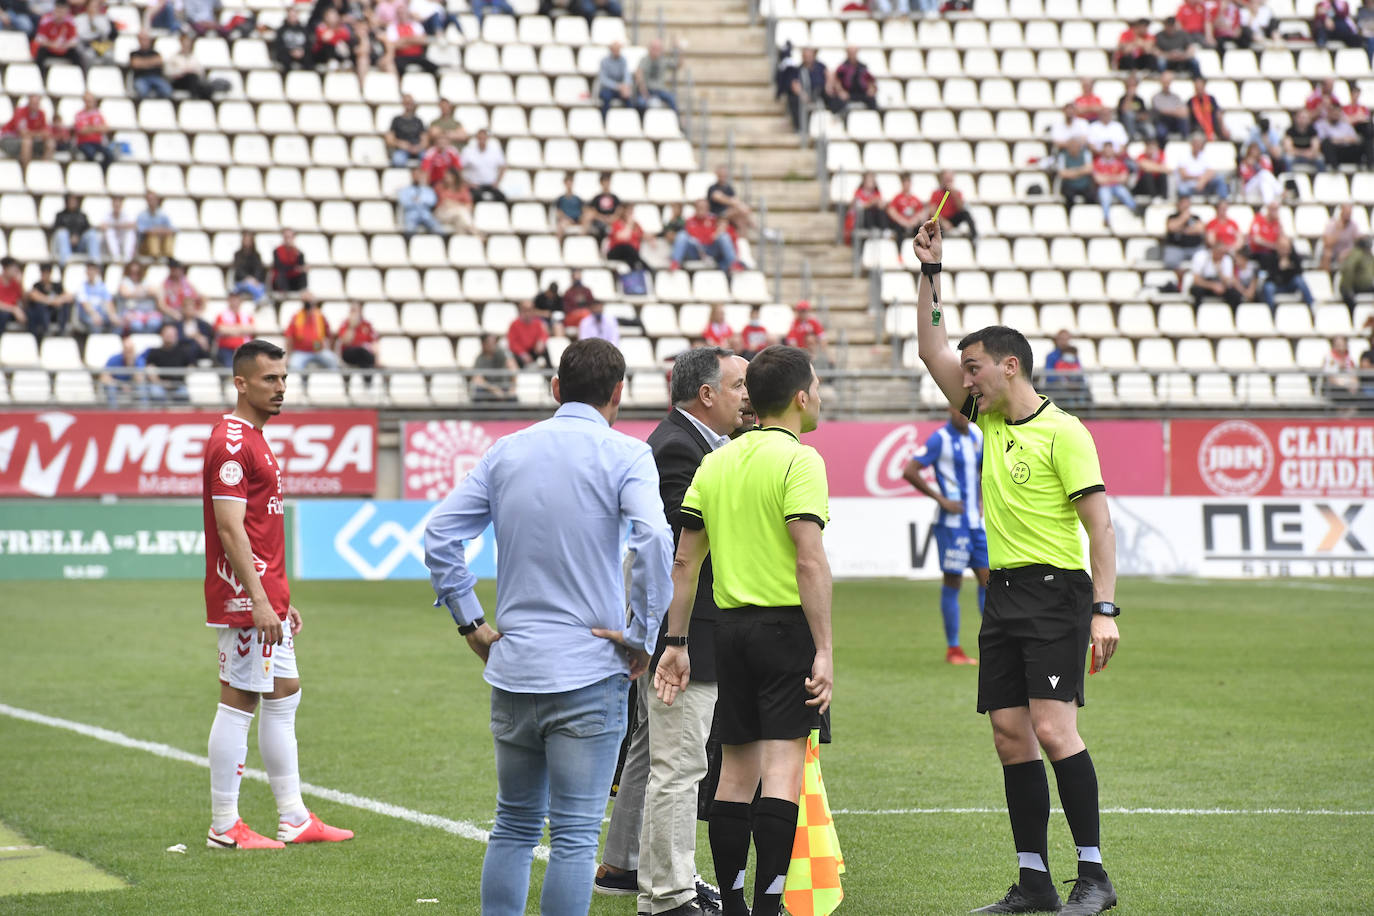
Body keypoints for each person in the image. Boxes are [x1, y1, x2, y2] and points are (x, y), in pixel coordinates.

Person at [911, 218, 1120, 916]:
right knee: (1009, 735)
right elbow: (930, 346)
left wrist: (1105, 607)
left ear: (1009, 367)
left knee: (1055, 728)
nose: (961, 381)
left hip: (1059, 593)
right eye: (965, 371)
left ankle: (1093, 876)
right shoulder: (988, 419)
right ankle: (1033, 884)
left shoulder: (1065, 431)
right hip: (1003, 595)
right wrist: (930, 272)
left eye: (974, 370)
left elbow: (1100, 526)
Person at [424, 338, 674, 916]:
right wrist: (642, 632)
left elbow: (440, 535)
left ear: (556, 389)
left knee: (512, 825)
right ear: (618, 394)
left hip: (514, 666)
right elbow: (656, 539)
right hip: (589, 668)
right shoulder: (626, 454)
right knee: (575, 836)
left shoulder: (506, 451)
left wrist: (471, 624)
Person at [653, 344, 832, 916]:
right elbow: (808, 559)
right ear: (802, 396)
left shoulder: (717, 460)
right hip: (783, 631)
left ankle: (731, 903)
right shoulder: (801, 460)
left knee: (733, 771)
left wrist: (676, 643)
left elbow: (685, 562)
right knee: (780, 770)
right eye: (819, 387)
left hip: (726, 632)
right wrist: (824, 648)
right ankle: (767, 905)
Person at [596, 347, 748, 915]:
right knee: (679, 764)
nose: (747, 397)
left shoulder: (691, 445)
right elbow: (680, 553)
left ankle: (626, 866)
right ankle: (668, 893)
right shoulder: (679, 452)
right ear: (706, 394)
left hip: (665, 626)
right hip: (681, 631)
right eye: (738, 386)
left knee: (650, 751)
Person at [201, 339, 354, 851]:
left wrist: (280, 600)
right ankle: (225, 825)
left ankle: (293, 816)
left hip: (266, 597)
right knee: (240, 701)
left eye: (284, 377)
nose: (281, 387)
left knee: (285, 693)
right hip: (245, 600)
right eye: (270, 379)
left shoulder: (257, 438)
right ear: (241, 383)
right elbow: (229, 528)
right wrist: (260, 600)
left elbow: (258, 529)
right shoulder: (230, 442)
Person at [902, 406, 987, 666]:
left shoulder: (977, 434)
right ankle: (954, 649)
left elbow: (984, 470)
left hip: (975, 524)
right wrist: (941, 499)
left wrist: (982, 500)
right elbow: (910, 470)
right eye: (956, 408)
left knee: (989, 582)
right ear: (950, 409)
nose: (961, 413)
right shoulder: (940, 438)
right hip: (951, 524)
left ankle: (995, 645)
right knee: (953, 582)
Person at [670, 201, 741, 273]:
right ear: (695, 208)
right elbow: (692, 237)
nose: (701, 209)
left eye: (703, 208)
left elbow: (731, 234)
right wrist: (711, 237)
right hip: (695, 251)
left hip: (711, 250)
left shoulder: (714, 219)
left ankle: (734, 263)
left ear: (708, 209)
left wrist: (718, 232)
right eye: (699, 207)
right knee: (682, 235)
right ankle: (675, 262)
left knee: (723, 236)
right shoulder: (689, 221)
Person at [141, 323, 198, 400]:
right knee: (156, 392)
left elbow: (191, 367)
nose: (169, 336)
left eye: (172, 334)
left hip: (179, 385)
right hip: (160, 385)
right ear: (161, 335)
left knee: (183, 393)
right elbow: (150, 369)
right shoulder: (154, 352)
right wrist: (160, 382)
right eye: (167, 333)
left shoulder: (184, 352)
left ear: (176, 336)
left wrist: (179, 379)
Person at [1259, 236, 1314, 311]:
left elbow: (1299, 272)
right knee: (1268, 287)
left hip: (1290, 285)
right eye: (1283, 248)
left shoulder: (1294, 257)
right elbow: (1269, 277)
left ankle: (1311, 306)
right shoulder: (1271, 257)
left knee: (1299, 280)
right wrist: (1279, 268)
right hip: (1277, 286)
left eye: (1287, 248)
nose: (1285, 251)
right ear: (1278, 247)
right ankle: (1271, 312)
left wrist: (1289, 267)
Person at [284, 298, 339, 370]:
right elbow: (289, 336)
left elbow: (329, 335)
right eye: (307, 304)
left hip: (319, 351)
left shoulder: (320, 316)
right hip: (301, 352)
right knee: (294, 365)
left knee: (332, 360)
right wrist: (288, 355)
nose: (309, 307)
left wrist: (330, 349)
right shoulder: (296, 317)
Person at [25, 261, 74, 340]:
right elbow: (34, 296)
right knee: (40, 306)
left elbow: (69, 297)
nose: (46, 275)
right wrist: (51, 301)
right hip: (42, 313)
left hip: (55, 312)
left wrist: (58, 300)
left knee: (65, 306)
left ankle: (62, 330)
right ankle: (46, 330)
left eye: (48, 273)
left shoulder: (57, 285)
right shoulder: (37, 285)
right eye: (44, 273)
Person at [1, 93, 53, 169]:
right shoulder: (21, 112)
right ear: (29, 102)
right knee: (27, 142)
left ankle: (45, 169)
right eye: (33, 103)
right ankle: (25, 172)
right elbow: (23, 133)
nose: (35, 105)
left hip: (29, 140)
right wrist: (38, 134)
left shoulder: (41, 113)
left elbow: (46, 133)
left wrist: (33, 134)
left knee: (50, 143)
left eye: (37, 103)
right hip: (9, 139)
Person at [1091, 142, 1137, 227]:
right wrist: (1115, 177)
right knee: (1105, 196)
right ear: (1103, 150)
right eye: (1106, 149)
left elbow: (1124, 178)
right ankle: (1106, 218)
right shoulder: (1097, 162)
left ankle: (1135, 211)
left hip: (1116, 186)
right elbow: (1098, 179)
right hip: (1103, 187)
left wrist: (1107, 177)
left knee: (1124, 192)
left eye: (1110, 149)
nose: (1108, 151)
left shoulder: (1119, 162)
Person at [384, 4, 437, 75]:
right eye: (399, 13)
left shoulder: (416, 25)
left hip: (417, 56)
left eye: (402, 13)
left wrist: (404, 40)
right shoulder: (392, 27)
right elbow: (393, 44)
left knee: (433, 67)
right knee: (399, 67)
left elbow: (423, 40)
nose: (401, 15)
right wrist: (413, 40)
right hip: (400, 57)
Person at [785, 47, 829, 132]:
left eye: (809, 56)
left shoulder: (820, 67)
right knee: (794, 100)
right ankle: (800, 128)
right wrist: (802, 94)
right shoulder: (798, 69)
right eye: (805, 56)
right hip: (806, 96)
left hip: (820, 94)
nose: (807, 58)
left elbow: (829, 76)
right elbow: (794, 84)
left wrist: (828, 85)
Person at [52, 193, 102, 266]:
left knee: (92, 234)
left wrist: (78, 237)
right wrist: (70, 238)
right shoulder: (60, 216)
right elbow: (56, 230)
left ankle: (95, 264)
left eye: (74, 200)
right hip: (65, 245)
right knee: (62, 234)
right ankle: (66, 264)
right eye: (70, 200)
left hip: (80, 245)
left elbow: (87, 229)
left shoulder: (82, 216)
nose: (72, 202)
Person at [1187, 242, 1242, 308]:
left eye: (1223, 253)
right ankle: (1196, 314)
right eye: (1219, 252)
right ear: (1213, 250)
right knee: (1197, 291)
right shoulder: (1201, 256)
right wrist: (1212, 286)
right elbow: (1196, 280)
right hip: (1204, 285)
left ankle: (1233, 315)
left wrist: (1220, 272)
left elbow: (1228, 282)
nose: (1221, 255)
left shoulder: (1227, 259)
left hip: (1220, 284)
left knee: (1234, 294)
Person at [1175, 132, 1228, 199]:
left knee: (1220, 179)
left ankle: (1223, 201)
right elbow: (1184, 175)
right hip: (1189, 187)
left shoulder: (1204, 156)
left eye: (1199, 144)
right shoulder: (1183, 157)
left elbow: (1211, 172)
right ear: (1192, 144)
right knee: (1183, 189)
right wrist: (1198, 177)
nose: (1197, 146)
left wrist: (1203, 181)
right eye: (1196, 143)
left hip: (1204, 185)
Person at [928, 170, 977, 239]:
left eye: (950, 180)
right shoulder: (936, 193)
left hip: (953, 219)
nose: (948, 182)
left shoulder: (957, 193)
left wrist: (953, 193)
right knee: (936, 227)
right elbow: (933, 212)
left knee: (966, 214)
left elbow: (961, 208)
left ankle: (974, 236)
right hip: (941, 220)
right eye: (946, 180)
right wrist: (944, 222)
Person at [598, 42, 643, 118]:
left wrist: (625, 86)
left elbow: (626, 75)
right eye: (615, 49)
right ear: (611, 50)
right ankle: (605, 120)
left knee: (629, 98)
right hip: (608, 89)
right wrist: (617, 86)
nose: (617, 52)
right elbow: (603, 80)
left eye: (618, 50)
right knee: (606, 97)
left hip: (620, 89)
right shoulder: (604, 61)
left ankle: (631, 119)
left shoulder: (623, 60)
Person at [635, 38, 681, 113]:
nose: (655, 51)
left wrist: (678, 50)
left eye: (658, 49)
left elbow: (678, 64)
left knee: (672, 99)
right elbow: (638, 75)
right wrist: (643, 92)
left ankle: (677, 123)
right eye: (653, 48)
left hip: (660, 90)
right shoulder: (644, 60)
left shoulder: (663, 60)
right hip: (647, 90)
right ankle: (642, 123)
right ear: (649, 48)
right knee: (641, 104)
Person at [100, 331, 145, 406]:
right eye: (126, 350)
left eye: (130, 350)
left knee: (142, 389)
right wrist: (121, 385)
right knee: (111, 388)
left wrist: (131, 364)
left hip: (133, 387)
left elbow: (140, 380)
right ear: (123, 350)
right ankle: (114, 415)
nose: (128, 353)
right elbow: (104, 378)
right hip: (117, 386)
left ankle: (143, 415)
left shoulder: (139, 360)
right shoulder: (114, 359)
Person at [34, 0, 80, 72]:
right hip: (50, 48)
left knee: (77, 55)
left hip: (64, 49)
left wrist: (65, 45)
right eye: (58, 11)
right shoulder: (46, 19)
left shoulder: (70, 20)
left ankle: (81, 76)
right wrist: (51, 44)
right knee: (40, 52)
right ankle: (40, 75)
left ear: (67, 11)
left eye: (63, 12)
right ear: (54, 10)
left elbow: (74, 40)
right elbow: (39, 38)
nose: (60, 14)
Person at [462, 128, 507, 202]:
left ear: (487, 138)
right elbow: (459, 168)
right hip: (475, 185)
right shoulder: (468, 151)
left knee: (501, 197)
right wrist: (468, 183)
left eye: (484, 137)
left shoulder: (495, 150)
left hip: (490, 184)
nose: (482, 139)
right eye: (480, 137)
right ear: (477, 138)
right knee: (476, 197)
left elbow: (503, 166)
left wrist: (497, 182)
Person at [1315, 104, 1367, 168]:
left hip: (1346, 150)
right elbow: (1323, 139)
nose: (1335, 114)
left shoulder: (1346, 125)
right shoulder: (1321, 124)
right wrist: (1344, 139)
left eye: (1337, 113)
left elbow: (1355, 139)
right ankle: (1334, 167)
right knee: (1327, 144)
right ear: (1329, 112)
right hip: (1333, 151)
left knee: (1363, 143)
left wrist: (1337, 140)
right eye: (1333, 112)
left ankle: (1362, 165)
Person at [117, 261, 163, 332]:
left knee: (154, 323)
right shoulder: (125, 282)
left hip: (147, 312)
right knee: (136, 325)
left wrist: (138, 292)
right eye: (132, 272)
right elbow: (126, 294)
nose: (134, 275)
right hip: (131, 312)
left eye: (137, 273)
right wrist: (144, 292)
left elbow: (156, 291)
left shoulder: (145, 281)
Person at [399, 166, 444, 238]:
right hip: (411, 213)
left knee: (438, 229)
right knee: (409, 229)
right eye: (415, 174)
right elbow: (404, 202)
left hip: (425, 213)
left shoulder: (427, 189)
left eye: (418, 174)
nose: (417, 176)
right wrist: (413, 202)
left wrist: (420, 200)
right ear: (412, 176)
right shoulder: (405, 190)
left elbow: (433, 201)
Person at [471, 332, 517, 401]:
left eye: (494, 342)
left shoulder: (502, 352)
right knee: (478, 393)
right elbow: (477, 379)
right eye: (489, 343)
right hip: (489, 390)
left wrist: (512, 388)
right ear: (483, 344)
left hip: (505, 388)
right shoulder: (479, 359)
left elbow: (513, 367)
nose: (493, 345)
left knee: (513, 398)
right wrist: (493, 389)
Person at [707, 165, 754, 233]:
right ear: (717, 175)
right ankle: (758, 228)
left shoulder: (729, 188)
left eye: (724, 174)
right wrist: (733, 202)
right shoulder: (712, 187)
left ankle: (741, 239)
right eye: (721, 174)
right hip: (716, 214)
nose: (723, 176)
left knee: (741, 220)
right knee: (741, 209)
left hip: (729, 214)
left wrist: (733, 202)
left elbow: (734, 200)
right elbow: (717, 197)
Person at [214, 291, 256, 367]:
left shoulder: (246, 316)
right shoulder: (222, 315)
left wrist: (231, 329)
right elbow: (221, 329)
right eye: (232, 299)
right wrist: (242, 330)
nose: (235, 302)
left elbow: (252, 329)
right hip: (227, 349)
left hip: (244, 349)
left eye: (236, 299)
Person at [508, 298, 552, 368]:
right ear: (520, 311)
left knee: (545, 350)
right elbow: (512, 343)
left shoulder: (537, 323)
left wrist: (541, 342)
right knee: (511, 357)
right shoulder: (514, 324)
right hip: (519, 354)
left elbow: (543, 335)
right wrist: (522, 354)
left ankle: (549, 375)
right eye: (525, 310)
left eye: (530, 310)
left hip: (533, 351)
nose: (528, 313)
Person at [830, 46, 877, 111]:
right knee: (837, 103)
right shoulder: (842, 67)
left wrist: (871, 89)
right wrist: (841, 91)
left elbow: (870, 80)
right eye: (851, 52)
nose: (852, 54)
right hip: (848, 93)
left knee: (872, 101)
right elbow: (837, 80)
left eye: (854, 52)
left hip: (862, 93)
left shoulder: (862, 67)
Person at [607, 205, 650, 275]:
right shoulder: (617, 223)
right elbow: (623, 237)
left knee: (630, 254)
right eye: (628, 212)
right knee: (626, 246)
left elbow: (643, 235)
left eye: (631, 212)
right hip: (616, 252)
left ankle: (636, 269)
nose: (630, 214)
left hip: (630, 255)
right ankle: (645, 266)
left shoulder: (636, 225)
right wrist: (629, 224)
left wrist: (652, 238)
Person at [386, 94, 426, 168]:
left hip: (417, 149)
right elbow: (389, 139)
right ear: (403, 104)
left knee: (428, 159)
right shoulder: (396, 120)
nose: (408, 105)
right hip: (402, 150)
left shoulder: (418, 121)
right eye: (407, 103)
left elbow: (425, 139)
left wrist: (419, 147)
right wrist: (399, 144)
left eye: (410, 102)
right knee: (398, 161)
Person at [128, 31, 173, 98]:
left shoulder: (155, 53)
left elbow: (159, 61)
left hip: (156, 77)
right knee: (142, 90)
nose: (144, 41)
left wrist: (142, 63)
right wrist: (152, 62)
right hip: (141, 78)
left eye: (146, 39)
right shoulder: (134, 53)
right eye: (142, 39)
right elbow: (135, 64)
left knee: (167, 90)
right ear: (139, 40)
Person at [335, 300, 376, 371]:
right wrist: (352, 326)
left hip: (364, 354)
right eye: (352, 310)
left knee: (364, 360)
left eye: (355, 310)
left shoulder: (367, 324)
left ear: (360, 312)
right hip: (349, 353)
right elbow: (346, 341)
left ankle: (367, 378)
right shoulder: (345, 324)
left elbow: (374, 342)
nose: (353, 313)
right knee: (361, 352)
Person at [1149, 71, 1190, 143]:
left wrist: (1171, 111)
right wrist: (1176, 111)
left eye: (1168, 82)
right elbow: (1161, 111)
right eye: (1165, 82)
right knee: (1161, 132)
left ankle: (1186, 141)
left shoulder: (1175, 97)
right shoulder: (1156, 97)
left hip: (1174, 121)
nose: (1166, 84)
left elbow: (1184, 113)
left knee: (1184, 121)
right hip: (1163, 121)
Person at [1238, 141, 1282, 205]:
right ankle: (1281, 191)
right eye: (1252, 150)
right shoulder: (1244, 163)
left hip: (1262, 185)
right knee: (1263, 174)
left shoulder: (1264, 159)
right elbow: (1246, 177)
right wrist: (1251, 166)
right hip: (1250, 187)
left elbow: (1269, 172)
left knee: (1264, 182)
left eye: (1255, 150)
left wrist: (1256, 165)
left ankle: (1268, 204)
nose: (1254, 152)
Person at [434, 171, 478, 236]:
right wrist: (458, 205)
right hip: (442, 213)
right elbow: (444, 203)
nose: (446, 178)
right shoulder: (439, 187)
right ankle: (474, 230)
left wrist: (454, 204)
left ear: (455, 177)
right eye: (445, 176)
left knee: (459, 220)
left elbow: (469, 206)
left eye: (449, 176)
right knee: (460, 212)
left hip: (457, 214)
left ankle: (462, 241)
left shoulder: (462, 188)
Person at [75, 261, 115, 332]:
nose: (91, 273)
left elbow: (108, 301)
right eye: (89, 270)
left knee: (116, 323)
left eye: (93, 270)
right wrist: (94, 315)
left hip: (101, 314)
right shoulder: (82, 287)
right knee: (96, 324)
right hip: (87, 315)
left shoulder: (102, 286)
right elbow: (85, 304)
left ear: (97, 271)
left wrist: (112, 315)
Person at [1056, 136, 1095, 207]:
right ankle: (1069, 216)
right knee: (1068, 197)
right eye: (1071, 146)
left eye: (1075, 146)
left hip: (1084, 184)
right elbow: (1062, 173)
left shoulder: (1086, 153)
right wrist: (1081, 171)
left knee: (1091, 196)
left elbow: (1089, 169)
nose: (1073, 147)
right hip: (1069, 185)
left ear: (1079, 146)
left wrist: (1072, 172)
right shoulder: (1063, 155)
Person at [886, 174, 926, 241]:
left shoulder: (915, 199)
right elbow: (891, 211)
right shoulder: (897, 198)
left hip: (913, 223)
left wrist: (915, 220)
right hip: (901, 224)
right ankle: (899, 251)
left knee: (920, 229)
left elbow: (921, 212)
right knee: (897, 230)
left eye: (908, 182)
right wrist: (902, 221)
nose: (907, 185)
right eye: (905, 183)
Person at [1189, 78, 1230, 142]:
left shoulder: (1211, 99)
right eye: (1197, 87)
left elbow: (1218, 112)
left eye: (1200, 87)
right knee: (1198, 138)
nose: (1199, 89)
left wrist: (1223, 127)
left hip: (1213, 127)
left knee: (1226, 135)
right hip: (1198, 130)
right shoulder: (1191, 101)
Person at [231, 231, 268, 303]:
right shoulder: (237, 255)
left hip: (254, 282)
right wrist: (248, 279)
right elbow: (238, 270)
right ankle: (260, 300)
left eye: (249, 240)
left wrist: (254, 280)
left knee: (262, 287)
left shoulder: (256, 255)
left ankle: (259, 301)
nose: (247, 242)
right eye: (245, 240)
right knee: (250, 286)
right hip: (241, 282)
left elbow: (259, 270)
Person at [1320, 204, 1359, 272]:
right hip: (1333, 254)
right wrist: (1338, 230)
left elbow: (1357, 242)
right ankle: (1326, 277)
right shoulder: (1331, 224)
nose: (1348, 215)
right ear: (1341, 212)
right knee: (1327, 253)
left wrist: (1347, 252)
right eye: (1346, 213)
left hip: (1347, 253)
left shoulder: (1353, 225)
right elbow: (1327, 243)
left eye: (1349, 213)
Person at [137, 192, 175, 260]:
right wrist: (155, 231)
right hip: (145, 245)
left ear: (157, 200)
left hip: (161, 241)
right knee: (152, 237)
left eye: (153, 199)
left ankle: (169, 256)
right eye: (150, 199)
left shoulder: (163, 214)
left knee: (168, 236)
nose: (152, 202)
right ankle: (155, 255)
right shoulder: (142, 215)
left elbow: (172, 229)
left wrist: (158, 231)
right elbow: (141, 230)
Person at [1339, 236, 1374, 309]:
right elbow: (1348, 269)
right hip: (1355, 287)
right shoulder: (1357, 253)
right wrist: (1348, 289)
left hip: (1364, 286)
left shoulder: (1367, 255)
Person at [586, 171, 622, 241]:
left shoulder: (615, 198)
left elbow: (619, 211)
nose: (606, 184)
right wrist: (602, 218)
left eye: (607, 181)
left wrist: (612, 219)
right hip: (599, 222)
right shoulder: (596, 198)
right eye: (604, 182)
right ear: (601, 183)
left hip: (613, 221)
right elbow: (593, 212)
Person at [850, 171, 885, 239]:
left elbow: (881, 205)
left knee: (881, 211)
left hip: (875, 217)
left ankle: (884, 229)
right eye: (869, 180)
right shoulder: (859, 193)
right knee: (867, 211)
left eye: (873, 180)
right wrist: (871, 203)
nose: (872, 182)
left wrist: (879, 203)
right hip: (862, 220)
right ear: (864, 181)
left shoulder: (876, 192)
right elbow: (860, 206)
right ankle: (872, 228)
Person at [271, 229, 308, 293]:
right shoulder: (277, 251)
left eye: (290, 237)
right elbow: (279, 267)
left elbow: (301, 266)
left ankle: (303, 290)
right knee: (281, 275)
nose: (288, 240)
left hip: (293, 280)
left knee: (303, 272)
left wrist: (298, 268)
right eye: (286, 237)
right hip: (282, 281)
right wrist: (294, 268)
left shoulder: (298, 252)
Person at [102, 196, 137, 263]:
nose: (117, 206)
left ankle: (127, 258)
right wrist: (118, 226)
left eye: (118, 204)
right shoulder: (107, 214)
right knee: (109, 232)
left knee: (130, 233)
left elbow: (133, 225)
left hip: (123, 240)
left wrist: (116, 225)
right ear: (112, 204)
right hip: (109, 244)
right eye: (115, 204)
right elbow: (102, 226)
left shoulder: (126, 213)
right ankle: (116, 257)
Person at [554, 172, 586, 239]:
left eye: (570, 183)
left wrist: (580, 218)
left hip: (578, 220)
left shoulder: (578, 199)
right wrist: (568, 219)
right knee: (561, 225)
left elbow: (583, 211)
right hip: (567, 220)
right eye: (567, 183)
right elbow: (558, 213)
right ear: (565, 184)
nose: (569, 185)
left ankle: (581, 241)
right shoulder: (560, 199)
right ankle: (558, 245)